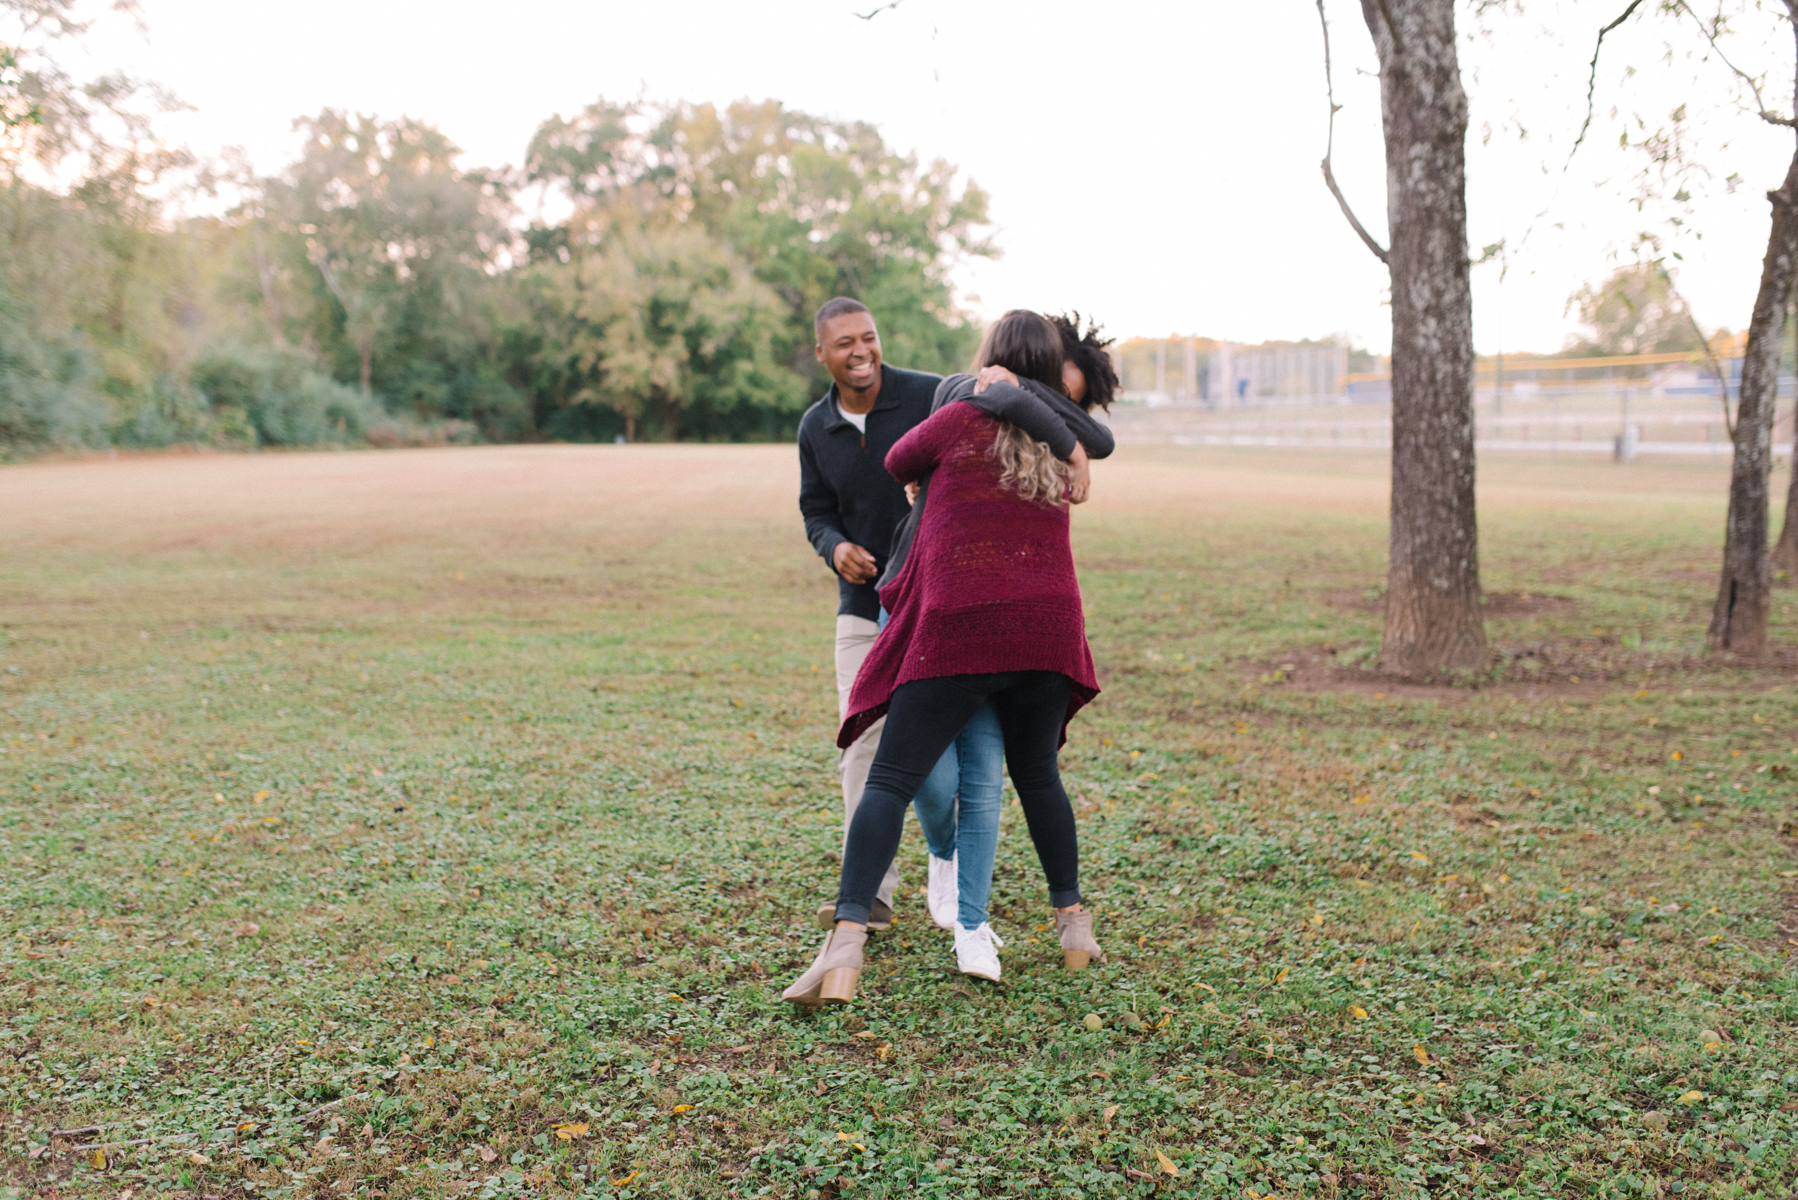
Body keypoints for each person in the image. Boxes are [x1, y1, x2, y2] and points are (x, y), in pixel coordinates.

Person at [783, 310, 1105, 1007]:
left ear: (989, 361)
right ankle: (1073, 925)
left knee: (890, 777)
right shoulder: (1063, 443)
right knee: (1039, 776)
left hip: (962, 628)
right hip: (1047, 631)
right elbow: (1090, 437)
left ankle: (845, 944)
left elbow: (899, 460)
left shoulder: (959, 417)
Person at [874, 313, 1118, 982]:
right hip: (930, 597)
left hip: (976, 619)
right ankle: (960, 861)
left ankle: (965, 912)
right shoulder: (960, 391)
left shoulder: (1040, 426)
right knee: (957, 777)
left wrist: (1043, 413)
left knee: (981, 778)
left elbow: (1098, 439)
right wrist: (1046, 421)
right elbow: (926, 440)